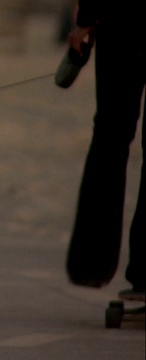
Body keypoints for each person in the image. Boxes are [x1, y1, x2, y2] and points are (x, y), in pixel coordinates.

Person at [66, 0, 144, 299]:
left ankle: (91, 263)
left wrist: (87, 18)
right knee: (110, 136)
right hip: (120, 22)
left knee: (110, 135)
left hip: (122, 22)